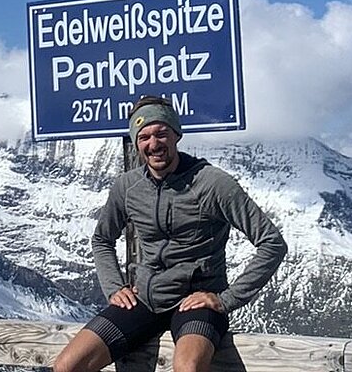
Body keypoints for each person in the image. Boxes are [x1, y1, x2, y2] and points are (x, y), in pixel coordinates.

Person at [53, 95, 288, 372]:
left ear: (176, 134)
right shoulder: (127, 186)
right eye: (144, 137)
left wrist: (226, 299)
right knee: (67, 366)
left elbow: (272, 243)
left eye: (161, 133)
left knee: (187, 369)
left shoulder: (213, 183)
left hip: (196, 302)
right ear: (136, 143)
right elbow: (102, 239)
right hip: (144, 300)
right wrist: (114, 288)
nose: (154, 144)